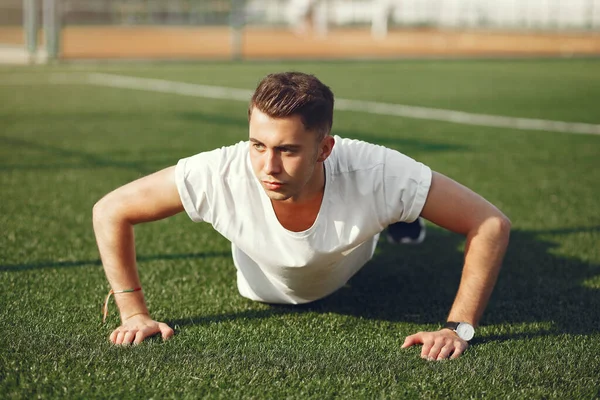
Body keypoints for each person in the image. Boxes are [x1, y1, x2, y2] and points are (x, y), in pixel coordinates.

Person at [93, 71, 510, 361]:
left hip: (354, 247)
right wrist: (133, 313)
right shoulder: (220, 173)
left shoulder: (375, 171)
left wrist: (459, 327)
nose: (268, 167)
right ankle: (404, 213)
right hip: (259, 284)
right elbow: (110, 209)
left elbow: (490, 223)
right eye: (258, 145)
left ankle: (403, 212)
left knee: (389, 192)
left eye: (287, 150)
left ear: (325, 148)